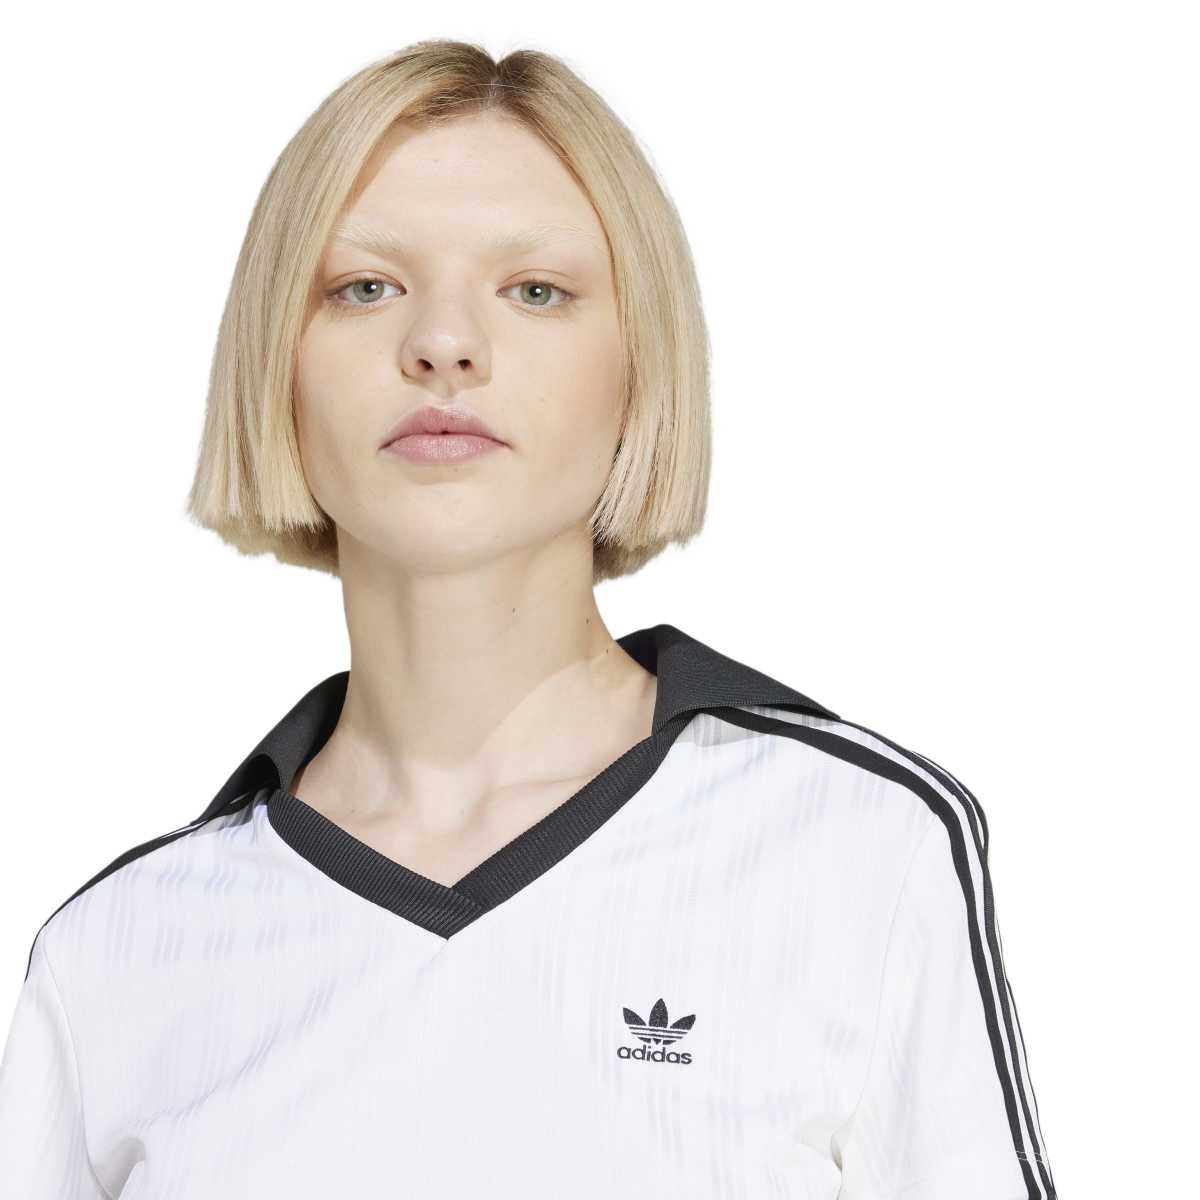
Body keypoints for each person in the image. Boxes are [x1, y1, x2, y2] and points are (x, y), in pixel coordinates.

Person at [0, 38, 1058, 1199]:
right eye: (365, 287)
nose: (444, 344)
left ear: (641, 368)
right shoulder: (114, 961)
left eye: (536, 290)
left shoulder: (859, 850)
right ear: (275, 366)